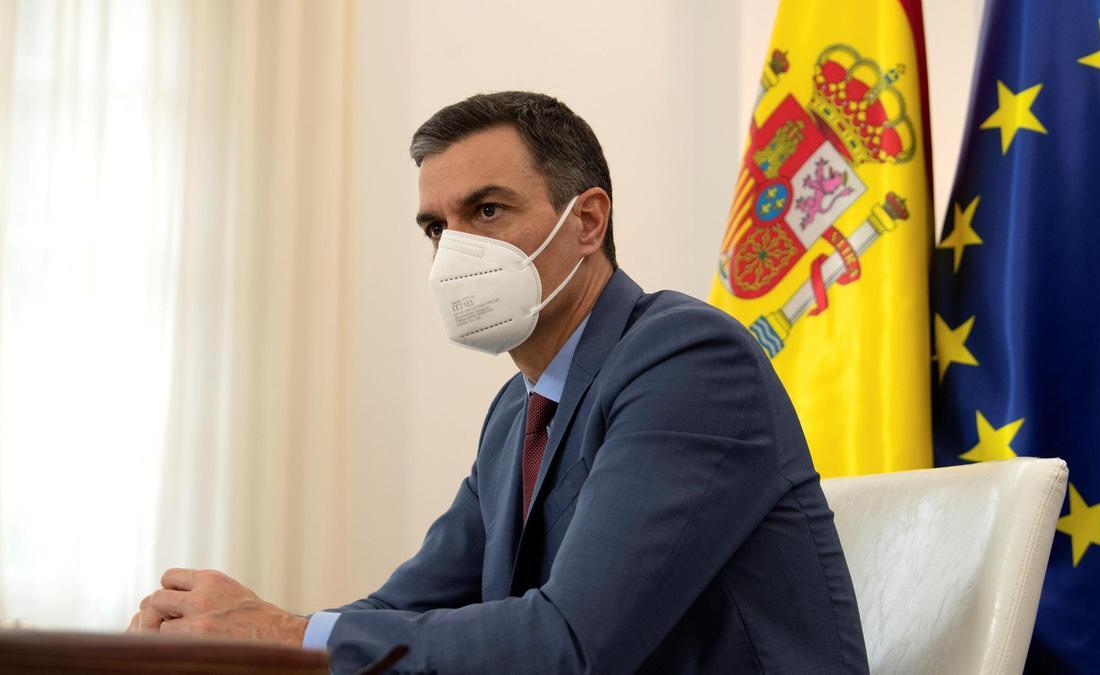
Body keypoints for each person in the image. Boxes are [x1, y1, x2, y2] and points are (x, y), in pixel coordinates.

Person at [128, 91, 868, 674]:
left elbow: (571, 643)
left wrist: (285, 635)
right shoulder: (518, 412)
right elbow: (404, 604)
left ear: (587, 221)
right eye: (435, 228)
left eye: (486, 210)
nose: (455, 250)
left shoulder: (687, 358)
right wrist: (237, 640)